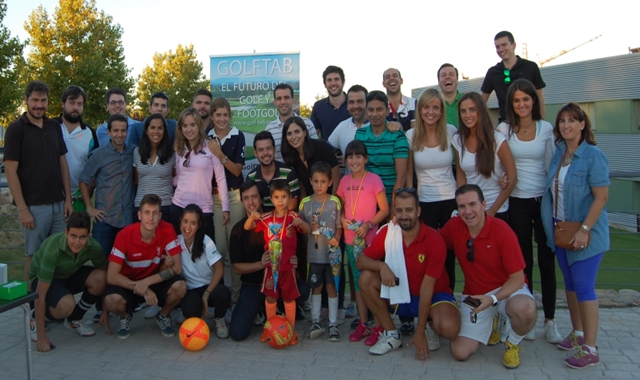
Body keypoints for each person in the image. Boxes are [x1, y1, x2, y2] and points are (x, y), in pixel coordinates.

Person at [540, 103, 610, 369]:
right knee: (569, 285)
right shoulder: (560, 152)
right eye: (562, 121)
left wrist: (584, 230)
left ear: (583, 124)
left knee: (583, 287)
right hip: (561, 230)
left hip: (584, 233)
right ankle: (579, 333)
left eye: (572, 120)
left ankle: (590, 349)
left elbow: (601, 197)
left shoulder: (593, 156)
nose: (566, 125)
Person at [439, 184, 537, 369]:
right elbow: (433, 241)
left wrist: (492, 299)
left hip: (507, 290)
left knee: (526, 311)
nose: (467, 211)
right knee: (460, 352)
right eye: (461, 207)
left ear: (484, 204)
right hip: (475, 295)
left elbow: (517, 279)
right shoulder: (454, 227)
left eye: (472, 204)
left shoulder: (503, 231)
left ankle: (512, 343)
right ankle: (493, 321)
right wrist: (404, 226)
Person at [358, 189, 461, 358]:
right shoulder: (389, 232)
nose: (404, 215)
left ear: (418, 211)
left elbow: (427, 289)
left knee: (450, 329)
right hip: (402, 293)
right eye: (399, 210)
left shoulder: (434, 239)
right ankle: (392, 335)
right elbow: (361, 261)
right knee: (366, 279)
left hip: (434, 295)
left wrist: (418, 332)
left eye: (409, 210)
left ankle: (428, 326)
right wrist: (382, 266)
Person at [496, 79, 560, 343]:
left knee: (547, 261)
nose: (522, 104)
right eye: (516, 100)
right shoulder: (504, 129)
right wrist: (501, 179)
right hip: (517, 203)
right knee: (523, 264)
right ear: (511, 104)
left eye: (526, 99)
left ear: (534, 101)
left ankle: (550, 321)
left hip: (542, 201)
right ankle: (528, 317)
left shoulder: (546, 128)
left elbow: (553, 165)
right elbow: (499, 163)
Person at [4, 80, 73, 282]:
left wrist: (68, 199)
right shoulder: (16, 129)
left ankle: (53, 305)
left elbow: (63, 164)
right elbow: (10, 171)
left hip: (59, 205)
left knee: (60, 255)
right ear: (26, 100)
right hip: (34, 208)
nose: (39, 105)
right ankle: (31, 309)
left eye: (43, 100)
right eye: (34, 100)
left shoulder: (54, 126)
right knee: (34, 258)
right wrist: (23, 209)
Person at [228, 180, 310, 341]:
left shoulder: (287, 217)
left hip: (285, 270)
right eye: (246, 198)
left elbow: (304, 233)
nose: (251, 202)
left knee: (297, 294)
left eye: (254, 197)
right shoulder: (253, 223)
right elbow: (237, 265)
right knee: (239, 331)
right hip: (260, 279)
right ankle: (268, 323)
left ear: (262, 198)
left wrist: (295, 256)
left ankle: (288, 327)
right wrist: (260, 263)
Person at [104, 194, 186, 339]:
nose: (151, 218)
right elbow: (111, 276)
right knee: (111, 300)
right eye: (147, 213)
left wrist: (147, 283)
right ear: (139, 215)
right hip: (129, 282)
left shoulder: (167, 229)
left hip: (152, 281)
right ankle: (124, 317)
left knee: (180, 286)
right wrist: (143, 288)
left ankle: (163, 315)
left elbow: (177, 268)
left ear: (160, 215)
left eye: (155, 213)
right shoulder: (124, 235)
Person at [79, 114, 135, 321]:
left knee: (123, 265)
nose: (120, 134)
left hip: (126, 220)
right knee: (102, 265)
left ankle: (123, 305)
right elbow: (84, 180)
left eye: (123, 130)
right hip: (105, 220)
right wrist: (89, 207)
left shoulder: (132, 153)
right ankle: (99, 307)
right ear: (109, 132)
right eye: (116, 130)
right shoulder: (99, 154)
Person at [29, 212, 108, 352]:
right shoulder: (53, 248)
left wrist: (105, 311)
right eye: (73, 236)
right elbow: (39, 294)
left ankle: (74, 319)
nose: (77, 242)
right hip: (43, 280)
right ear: (66, 233)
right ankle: (34, 315)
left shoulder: (94, 247)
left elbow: (106, 273)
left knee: (101, 277)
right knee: (66, 305)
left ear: (88, 236)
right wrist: (42, 339)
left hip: (68, 274)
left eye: (82, 237)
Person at [336, 140, 389, 343]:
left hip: (370, 241)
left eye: (358, 156)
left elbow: (384, 209)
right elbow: (339, 209)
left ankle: (380, 325)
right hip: (351, 240)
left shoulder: (374, 180)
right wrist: (342, 220)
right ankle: (363, 323)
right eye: (350, 157)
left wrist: (368, 225)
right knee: (358, 284)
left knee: (372, 282)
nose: (354, 160)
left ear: (366, 159)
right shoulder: (343, 182)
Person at [406, 89, 458, 293]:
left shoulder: (451, 131)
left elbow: (460, 169)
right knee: (425, 254)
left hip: (450, 200)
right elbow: (409, 174)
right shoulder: (411, 135)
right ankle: (425, 300)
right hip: (425, 201)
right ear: (419, 110)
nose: (431, 112)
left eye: (435, 107)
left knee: (449, 253)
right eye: (426, 107)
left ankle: (448, 297)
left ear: (441, 110)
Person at [206, 97, 246, 304]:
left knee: (235, 248)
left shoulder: (238, 136)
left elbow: (237, 170)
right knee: (218, 250)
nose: (221, 119)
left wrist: (219, 154)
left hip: (234, 196)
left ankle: (238, 298)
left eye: (225, 115)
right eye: (217, 115)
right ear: (211, 117)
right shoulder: (206, 137)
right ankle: (220, 299)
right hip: (212, 198)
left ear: (230, 115)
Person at [453, 92, 517, 220]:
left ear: (481, 111)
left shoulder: (497, 139)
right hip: (471, 212)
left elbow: (513, 177)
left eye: (472, 110)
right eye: (463, 111)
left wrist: (492, 211)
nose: (467, 115)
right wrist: (464, 204)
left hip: (496, 210)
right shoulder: (457, 140)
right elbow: (461, 174)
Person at [298, 162, 342, 341]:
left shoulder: (334, 202)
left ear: (330, 182)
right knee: (316, 286)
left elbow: (339, 226)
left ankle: (333, 324)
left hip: (331, 255)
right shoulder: (305, 203)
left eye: (323, 181)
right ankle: (315, 321)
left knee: (331, 286)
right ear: (310, 181)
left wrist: (337, 239)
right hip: (314, 254)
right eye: (315, 181)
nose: (319, 185)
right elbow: (300, 228)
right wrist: (309, 227)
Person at [171, 107, 229, 241]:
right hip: (179, 206)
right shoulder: (179, 149)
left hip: (203, 209)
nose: (189, 129)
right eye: (185, 126)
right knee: (179, 251)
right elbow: (179, 178)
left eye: (192, 124)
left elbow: (220, 177)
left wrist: (225, 207)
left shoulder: (211, 146)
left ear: (199, 125)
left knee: (207, 252)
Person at [178, 204, 231, 338]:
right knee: (189, 308)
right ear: (180, 221)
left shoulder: (206, 241)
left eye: (193, 223)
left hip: (209, 287)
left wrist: (207, 294)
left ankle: (219, 319)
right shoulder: (175, 242)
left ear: (199, 225)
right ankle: (197, 320)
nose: (188, 227)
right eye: (185, 221)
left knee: (223, 293)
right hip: (191, 290)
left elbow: (219, 270)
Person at [354, 90, 409, 207]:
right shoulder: (360, 135)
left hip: (391, 200)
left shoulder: (398, 137)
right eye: (370, 110)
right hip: (366, 202)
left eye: (379, 109)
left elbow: (401, 176)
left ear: (387, 110)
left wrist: (393, 208)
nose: (374, 114)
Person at [481, 31, 546, 123]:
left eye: (504, 45)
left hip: (530, 123)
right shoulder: (493, 72)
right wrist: (488, 125)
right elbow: (482, 102)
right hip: (506, 125)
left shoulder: (531, 67)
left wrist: (542, 122)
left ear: (513, 45)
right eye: (497, 47)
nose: (500, 49)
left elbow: (539, 98)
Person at [54, 85, 99, 212]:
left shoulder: (90, 133)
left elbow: (94, 166)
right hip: (52, 196)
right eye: (72, 103)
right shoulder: (51, 127)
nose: (76, 107)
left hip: (78, 197)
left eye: (79, 104)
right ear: (63, 103)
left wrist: (87, 193)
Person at [281, 116, 341, 198]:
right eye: (289, 134)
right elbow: (302, 186)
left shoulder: (322, 147)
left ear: (305, 132)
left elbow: (336, 177)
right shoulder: (291, 157)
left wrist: (334, 201)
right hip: (311, 205)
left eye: (297, 132)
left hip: (330, 200)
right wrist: (303, 207)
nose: (293, 137)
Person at [133, 113, 175, 221]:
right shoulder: (137, 152)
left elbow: (175, 178)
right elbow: (136, 180)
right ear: (146, 131)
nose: (156, 131)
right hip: (141, 205)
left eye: (160, 128)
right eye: (152, 127)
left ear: (164, 131)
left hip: (164, 206)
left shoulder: (172, 154)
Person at [246, 131, 300, 212]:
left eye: (269, 148)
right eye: (261, 150)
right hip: (261, 221)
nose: (265, 153)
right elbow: (251, 208)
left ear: (274, 149)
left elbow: (292, 207)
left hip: (285, 221)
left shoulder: (289, 173)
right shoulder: (251, 178)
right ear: (255, 153)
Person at [265, 83, 318, 161]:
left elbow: (316, 152)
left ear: (293, 100)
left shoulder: (308, 124)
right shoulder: (269, 129)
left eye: (286, 97)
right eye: (279, 98)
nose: (283, 102)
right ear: (275, 102)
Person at [328, 85, 369, 164]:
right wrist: (334, 159)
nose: (355, 106)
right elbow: (326, 150)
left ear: (367, 103)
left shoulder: (377, 125)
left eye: (360, 101)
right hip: (349, 176)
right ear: (347, 106)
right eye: (351, 102)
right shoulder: (342, 126)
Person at [311, 65, 350, 140]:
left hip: (353, 151)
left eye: (336, 79)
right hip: (327, 151)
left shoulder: (354, 105)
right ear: (325, 84)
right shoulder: (318, 107)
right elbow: (314, 136)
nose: (333, 83)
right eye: (329, 80)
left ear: (343, 82)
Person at [437, 63, 464, 129]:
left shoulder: (467, 100)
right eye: (443, 75)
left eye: (451, 74)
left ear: (457, 81)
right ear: (439, 82)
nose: (447, 77)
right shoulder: (433, 102)